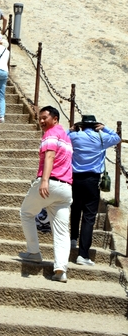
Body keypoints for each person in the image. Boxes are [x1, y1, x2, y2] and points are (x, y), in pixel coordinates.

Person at [19, 106, 73, 283]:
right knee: (62, 231)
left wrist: (44, 180)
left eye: (45, 118)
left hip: (51, 182)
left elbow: (50, 156)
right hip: (66, 187)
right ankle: (60, 270)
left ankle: (34, 252)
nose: (41, 121)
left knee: (26, 213)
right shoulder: (65, 136)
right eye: (40, 118)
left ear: (55, 119)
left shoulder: (51, 133)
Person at [68, 114, 120, 266]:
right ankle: (83, 254)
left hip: (75, 178)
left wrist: (71, 129)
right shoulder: (102, 138)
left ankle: (73, 239)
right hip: (92, 179)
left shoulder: (74, 136)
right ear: (95, 125)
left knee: (75, 209)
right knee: (89, 217)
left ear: (82, 125)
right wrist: (105, 128)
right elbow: (117, 138)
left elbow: (60, 137)